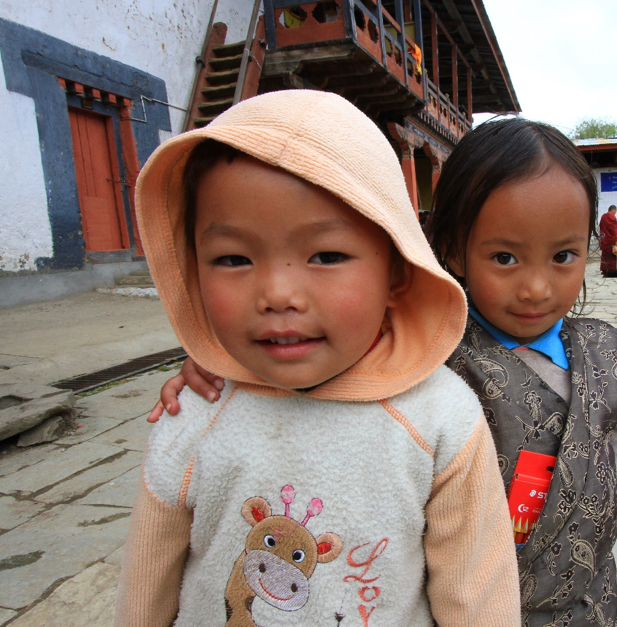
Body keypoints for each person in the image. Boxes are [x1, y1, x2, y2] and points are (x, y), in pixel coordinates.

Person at [155, 117, 617, 626]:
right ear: (452, 249)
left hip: (582, 592)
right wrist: (224, 363)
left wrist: (599, 476)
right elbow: (316, 352)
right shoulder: (419, 349)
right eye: (505, 257)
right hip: (463, 582)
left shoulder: (604, 355)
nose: (536, 287)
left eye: (563, 256)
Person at [115, 91, 521, 626]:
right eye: (233, 258)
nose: (278, 293)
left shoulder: (440, 419)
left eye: (326, 256)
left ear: (397, 270)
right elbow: (145, 591)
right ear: (192, 270)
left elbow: (477, 593)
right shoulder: (194, 414)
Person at [599, 204, 617, 275]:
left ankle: (604, 269)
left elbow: (601, 227)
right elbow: (613, 229)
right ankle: (611, 269)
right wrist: (616, 238)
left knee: (605, 254)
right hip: (610, 239)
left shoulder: (603, 216)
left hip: (604, 238)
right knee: (611, 255)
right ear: (613, 210)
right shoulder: (611, 217)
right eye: (615, 211)